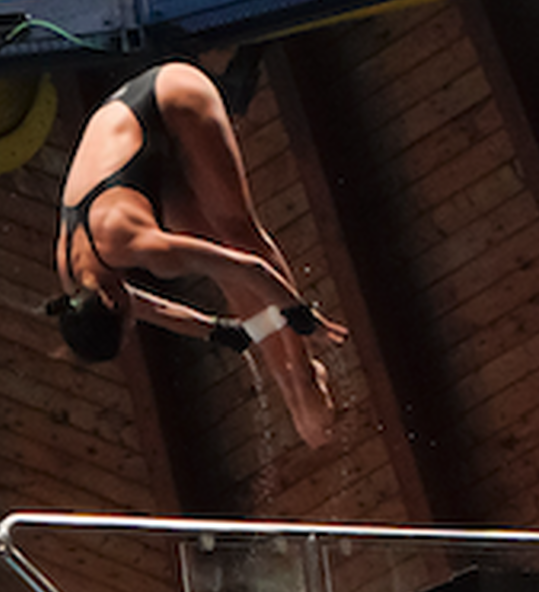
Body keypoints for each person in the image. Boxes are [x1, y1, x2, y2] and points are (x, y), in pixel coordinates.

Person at [51, 60, 349, 447]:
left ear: (111, 303)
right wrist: (215, 331)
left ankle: (305, 376)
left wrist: (301, 316)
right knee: (209, 252)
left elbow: (253, 267)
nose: (133, 320)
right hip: (137, 141)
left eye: (126, 324)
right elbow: (147, 308)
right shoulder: (75, 283)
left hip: (173, 95)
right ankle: (291, 390)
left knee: (236, 232)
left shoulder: (139, 244)